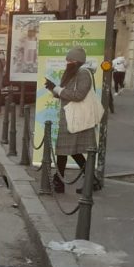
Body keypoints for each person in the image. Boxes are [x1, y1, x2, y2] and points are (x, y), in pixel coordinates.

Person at [46, 46, 99, 194]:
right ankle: (89, 180)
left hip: (77, 117)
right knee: (67, 150)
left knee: (66, 150)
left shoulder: (83, 73)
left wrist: (57, 89)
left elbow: (78, 95)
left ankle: (60, 181)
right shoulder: (73, 72)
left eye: (69, 60)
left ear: (77, 61)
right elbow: (64, 92)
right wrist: (52, 88)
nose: (67, 62)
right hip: (70, 116)